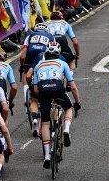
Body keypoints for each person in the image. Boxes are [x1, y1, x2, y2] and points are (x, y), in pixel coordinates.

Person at [31, 41, 81, 169]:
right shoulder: (63, 63)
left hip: (43, 91)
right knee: (68, 108)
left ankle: (47, 156)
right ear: (58, 53)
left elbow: (36, 89)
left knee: (46, 124)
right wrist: (77, 102)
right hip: (58, 89)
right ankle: (66, 129)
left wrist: (40, 98)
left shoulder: (38, 65)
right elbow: (73, 86)